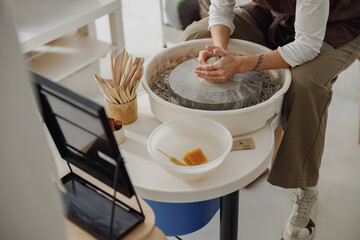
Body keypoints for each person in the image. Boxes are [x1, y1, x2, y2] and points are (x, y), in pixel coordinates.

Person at [180, 0, 360, 239]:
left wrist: (241, 64)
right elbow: (221, 8)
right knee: (197, 35)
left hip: (339, 21)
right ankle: (222, 140)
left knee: (305, 83)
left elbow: (307, 46)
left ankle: (306, 186)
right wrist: (219, 53)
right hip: (279, 14)